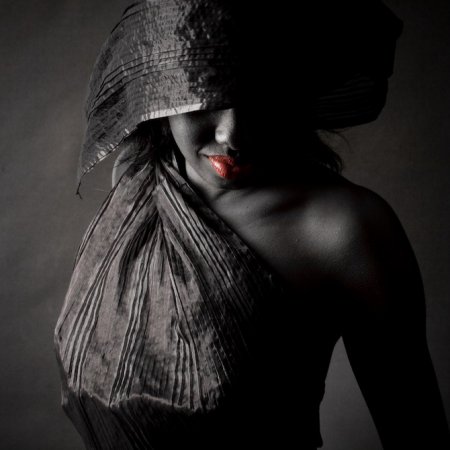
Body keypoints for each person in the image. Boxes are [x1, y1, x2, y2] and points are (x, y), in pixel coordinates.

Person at [54, 1, 450, 449]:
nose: (233, 135)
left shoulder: (347, 230)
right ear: (160, 92)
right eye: (204, 96)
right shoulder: (135, 176)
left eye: (260, 96)